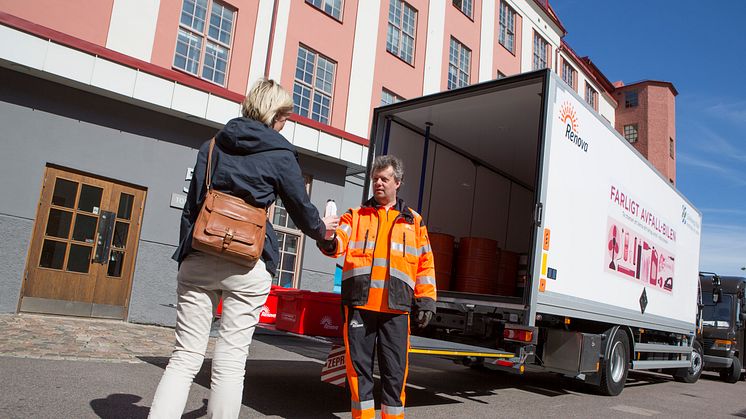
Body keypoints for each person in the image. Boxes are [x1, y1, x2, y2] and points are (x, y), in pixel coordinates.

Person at [149, 78, 338, 419]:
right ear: (275, 114)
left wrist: (186, 258)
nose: (286, 124)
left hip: (199, 256)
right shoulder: (281, 154)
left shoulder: (211, 146)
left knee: (184, 357)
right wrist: (326, 234)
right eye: (286, 117)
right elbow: (301, 210)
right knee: (230, 362)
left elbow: (192, 208)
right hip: (248, 263)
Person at [318, 155, 437, 419]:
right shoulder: (355, 216)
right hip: (360, 306)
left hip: (397, 309)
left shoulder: (414, 222)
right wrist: (327, 239)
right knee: (359, 373)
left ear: (398, 182)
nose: (379, 184)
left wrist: (426, 299)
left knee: (395, 374)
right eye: (375, 179)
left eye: (384, 179)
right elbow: (338, 242)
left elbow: (425, 263)